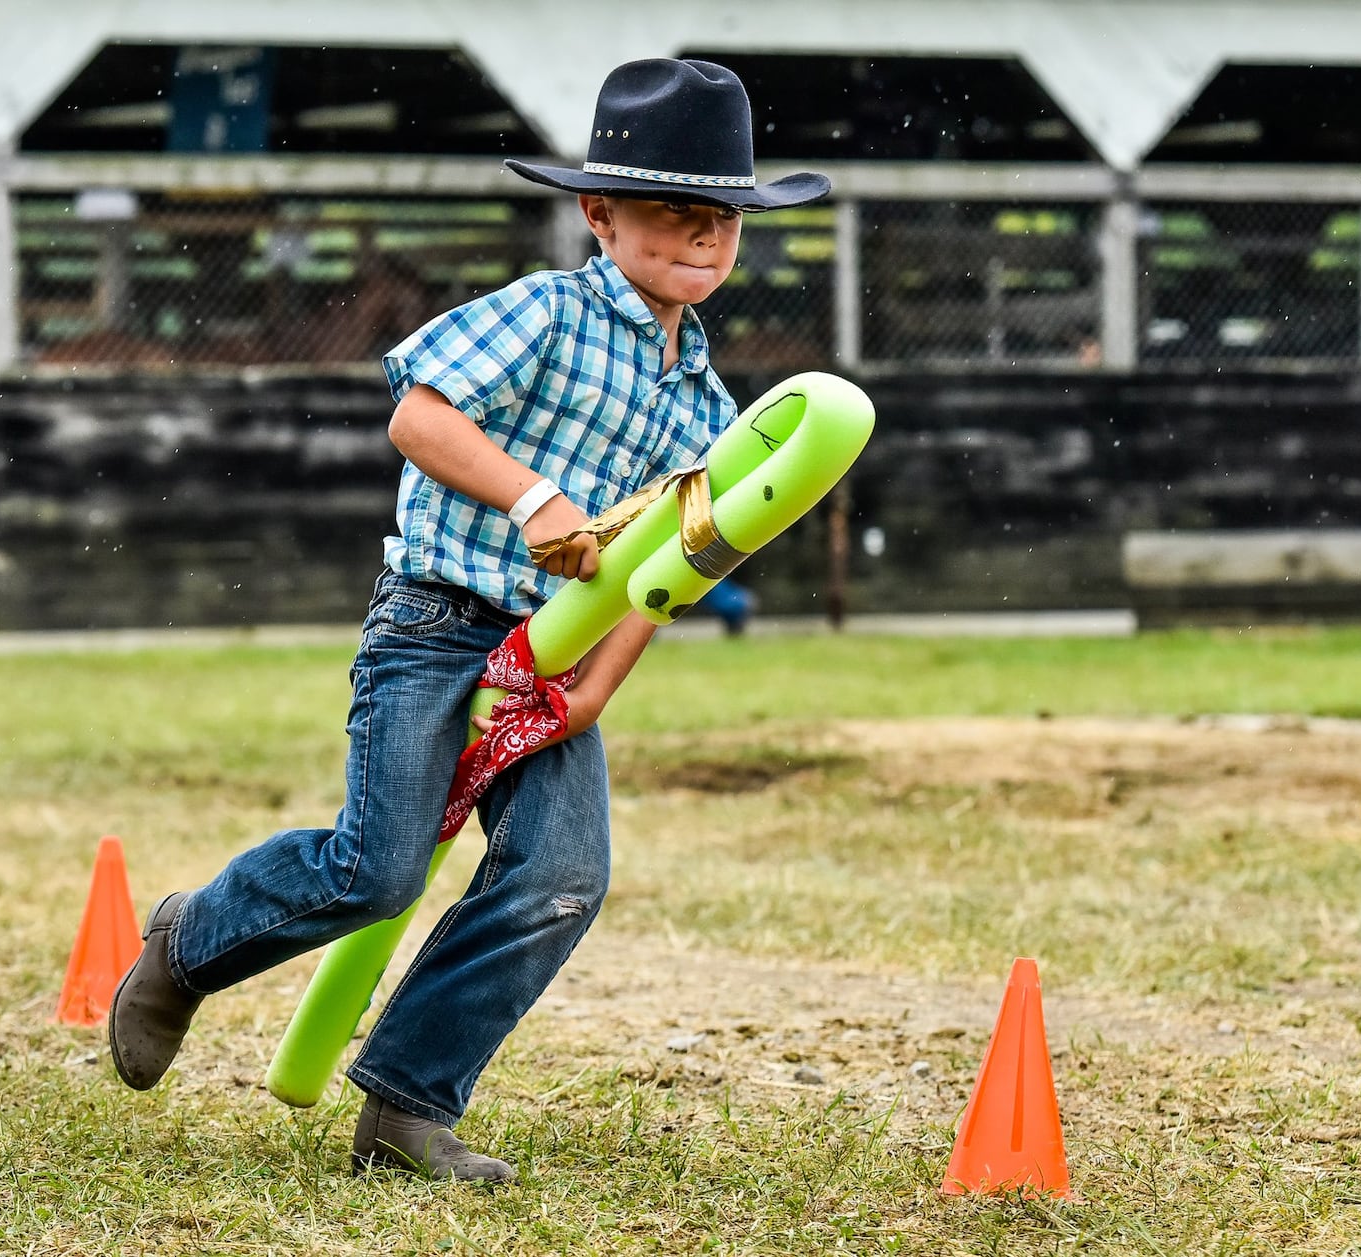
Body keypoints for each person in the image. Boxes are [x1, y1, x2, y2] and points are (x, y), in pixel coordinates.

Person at [107, 58, 830, 1183]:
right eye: (671, 211)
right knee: (378, 868)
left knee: (559, 879)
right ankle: (187, 941)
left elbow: (670, 560)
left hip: (557, 659)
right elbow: (420, 416)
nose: (701, 236)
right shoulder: (541, 312)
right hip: (440, 621)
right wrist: (534, 500)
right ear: (598, 213)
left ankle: (407, 1114)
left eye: (722, 218)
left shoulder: (707, 402)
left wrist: (599, 679)